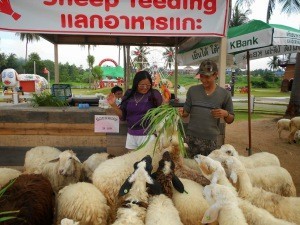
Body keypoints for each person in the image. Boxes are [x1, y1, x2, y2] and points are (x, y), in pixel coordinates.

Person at [179, 60, 234, 158]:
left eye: (207, 76)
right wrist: (182, 113)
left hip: (210, 141)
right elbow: (186, 113)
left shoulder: (224, 94)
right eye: (201, 76)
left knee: (207, 171)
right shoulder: (192, 91)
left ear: (215, 75)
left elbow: (230, 119)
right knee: (189, 169)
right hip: (191, 139)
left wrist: (225, 114)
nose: (203, 80)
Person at [107, 70, 163, 151]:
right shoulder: (129, 94)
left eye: (148, 85)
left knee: (146, 162)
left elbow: (161, 112)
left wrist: (165, 103)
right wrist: (113, 105)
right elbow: (123, 116)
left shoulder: (154, 94)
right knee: (132, 162)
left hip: (148, 136)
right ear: (136, 83)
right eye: (142, 85)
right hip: (131, 135)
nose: (145, 87)